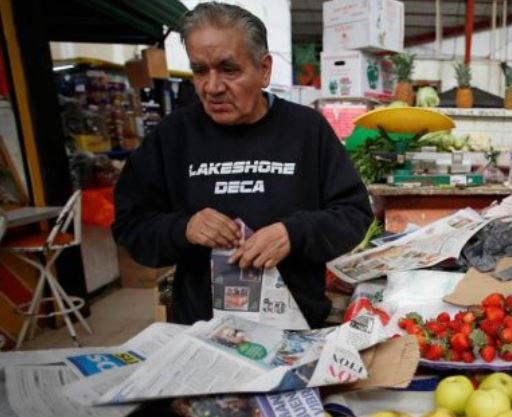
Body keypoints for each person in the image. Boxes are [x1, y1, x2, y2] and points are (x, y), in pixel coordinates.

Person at [112, 2, 372, 328]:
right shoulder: (172, 136)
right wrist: (184, 228)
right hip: (201, 330)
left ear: (264, 69)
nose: (213, 87)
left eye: (229, 69)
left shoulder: (307, 130)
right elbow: (130, 226)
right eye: (200, 71)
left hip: (296, 326)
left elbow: (354, 215)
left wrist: (294, 233)